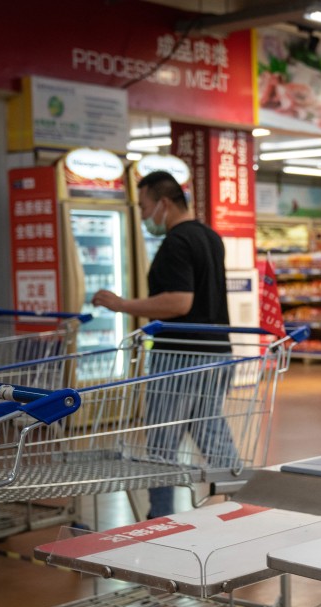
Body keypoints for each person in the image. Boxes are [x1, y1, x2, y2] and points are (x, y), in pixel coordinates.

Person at [92, 170, 237, 518]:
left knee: (161, 444)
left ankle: (162, 519)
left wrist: (122, 305)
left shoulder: (175, 243)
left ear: (164, 203)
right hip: (217, 353)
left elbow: (180, 302)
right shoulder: (210, 237)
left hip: (180, 357)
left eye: (144, 207)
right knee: (211, 433)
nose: (143, 216)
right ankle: (245, 502)